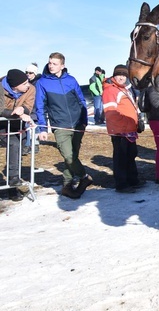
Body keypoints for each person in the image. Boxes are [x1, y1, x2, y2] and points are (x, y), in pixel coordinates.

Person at [36, 52, 94, 198]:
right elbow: (40, 106)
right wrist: (43, 128)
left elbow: (81, 101)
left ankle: (67, 186)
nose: (51, 66)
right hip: (60, 126)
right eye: (50, 63)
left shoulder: (71, 80)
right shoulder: (42, 82)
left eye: (54, 64)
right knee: (69, 156)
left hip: (77, 124)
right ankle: (84, 177)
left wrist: (84, 121)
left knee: (73, 156)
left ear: (62, 65)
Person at [103, 65, 142, 193]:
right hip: (120, 130)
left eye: (124, 75)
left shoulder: (125, 89)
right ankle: (122, 184)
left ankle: (133, 179)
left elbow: (131, 107)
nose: (121, 77)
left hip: (129, 129)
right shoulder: (111, 90)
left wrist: (138, 121)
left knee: (131, 154)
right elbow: (111, 113)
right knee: (121, 157)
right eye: (119, 75)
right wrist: (124, 127)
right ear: (114, 76)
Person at [1, 69, 35, 200]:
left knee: (17, 151)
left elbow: (29, 105)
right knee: (13, 144)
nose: (28, 84)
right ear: (15, 86)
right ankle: (13, 179)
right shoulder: (1, 89)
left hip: (17, 126)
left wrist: (23, 110)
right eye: (25, 83)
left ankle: (12, 187)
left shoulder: (30, 89)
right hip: (3, 125)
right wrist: (14, 113)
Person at [23, 63, 41, 154]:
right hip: (27, 107)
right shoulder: (25, 83)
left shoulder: (38, 83)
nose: (28, 74)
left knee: (35, 127)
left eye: (30, 73)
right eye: (26, 72)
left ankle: (35, 145)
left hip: (36, 108)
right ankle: (26, 145)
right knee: (26, 128)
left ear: (35, 73)